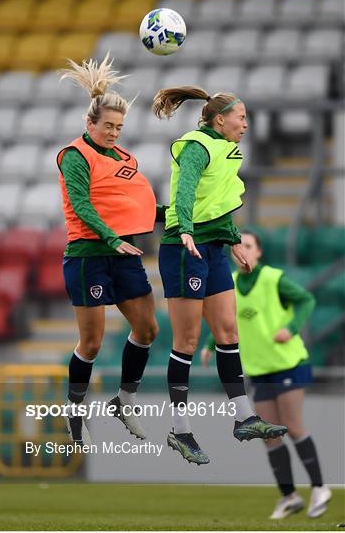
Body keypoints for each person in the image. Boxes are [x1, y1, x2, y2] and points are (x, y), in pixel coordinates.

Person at [153, 86, 287, 466]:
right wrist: (184, 229)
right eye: (241, 117)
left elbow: (219, 203)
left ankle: (244, 418)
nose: (246, 123)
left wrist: (232, 242)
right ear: (219, 120)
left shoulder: (228, 151)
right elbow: (186, 192)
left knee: (228, 332)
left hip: (210, 249)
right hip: (184, 248)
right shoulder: (196, 145)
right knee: (188, 340)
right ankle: (179, 430)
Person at [57, 54, 164, 444]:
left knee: (148, 329)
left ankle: (124, 399)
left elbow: (138, 206)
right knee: (92, 342)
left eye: (119, 127)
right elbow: (82, 205)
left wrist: (178, 217)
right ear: (89, 123)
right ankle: (75, 408)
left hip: (123, 252)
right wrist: (112, 238)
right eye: (108, 126)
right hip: (89, 255)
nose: (115, 133)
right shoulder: (74, 156)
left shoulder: (125, 159)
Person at [201, 230, 331, 519]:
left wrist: (292, 328)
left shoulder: (273, 278)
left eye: (249, 246)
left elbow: (306, 300)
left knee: (293, 426)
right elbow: (226, 321)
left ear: (258, 252)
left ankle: (320, 488)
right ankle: (290, 497)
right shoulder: (231, 284)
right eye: (240, 246)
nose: (243, 250)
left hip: (288, 364)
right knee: (269, 435)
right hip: (258, 369)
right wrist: (210, 345)